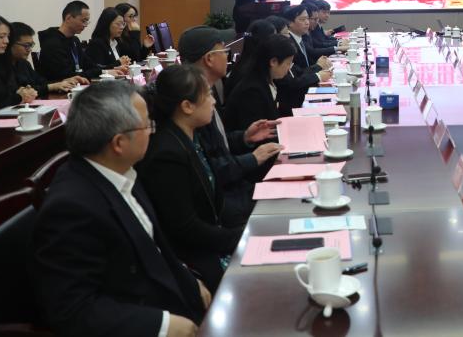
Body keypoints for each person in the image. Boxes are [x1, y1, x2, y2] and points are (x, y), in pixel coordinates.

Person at [31, 81, 208, 337]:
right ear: (118, 143)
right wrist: (161, 325)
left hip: (169, 297)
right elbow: (74, 311)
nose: (152, 131)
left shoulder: (121, 170)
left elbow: (155, 247)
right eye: (147, 125)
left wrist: (189, 282)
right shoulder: (70, 209)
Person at [138, 65, 244, 291]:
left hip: (214, 240)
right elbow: (186, 228)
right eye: (208, 96)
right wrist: (238, 237)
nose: (213, 102)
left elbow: (213, 203)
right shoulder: (166, 154)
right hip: (195, 259)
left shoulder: (190, 136)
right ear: (187, 106)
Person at [179, 26, 283, 226]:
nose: (228, 57)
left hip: (235, 185)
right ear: (209, 59)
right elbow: (208, 166)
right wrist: (253, 158)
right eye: (225, 51)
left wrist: (244, 137)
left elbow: (217, 143)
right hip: (225, 199)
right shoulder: (192, 102)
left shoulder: (210, 89)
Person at [223, 34, 298, 132]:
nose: (289, 68)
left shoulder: (266, 79)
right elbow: (259, 133)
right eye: (288, 63)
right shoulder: (251, 91)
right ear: (273, 62)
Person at [8, 22, 85, 98]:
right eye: (26, 45)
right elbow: (16, 92)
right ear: (10, 44)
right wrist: (51, 87)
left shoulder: (24, 63)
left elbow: (41, 82)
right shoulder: (3, 67)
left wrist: (63, 81)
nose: (29, 49)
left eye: (31, 45)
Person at [38, 1, 103, 82]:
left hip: (77, 85)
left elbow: (90, 65)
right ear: (68, 18)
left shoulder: (75, 40)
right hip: (60, 88)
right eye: (83, 21)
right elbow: (67, 76)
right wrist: (99, 72)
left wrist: (106, 71)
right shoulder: (52, 44)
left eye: (87, 21)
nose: (85, 25)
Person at [87, 7, 132, 73]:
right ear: (107, 24)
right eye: (118, 24)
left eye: (123, 24)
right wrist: (119, 62)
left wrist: (125, 62)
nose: (122, 27)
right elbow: (98, 69)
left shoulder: (116, 42)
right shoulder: (97, 43)